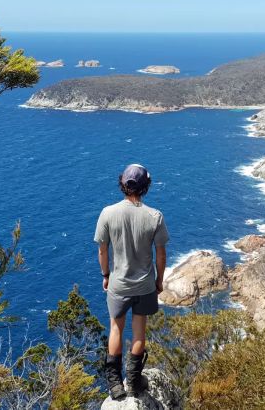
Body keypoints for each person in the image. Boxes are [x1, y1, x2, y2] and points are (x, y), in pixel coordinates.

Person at [94, 163, 169, 400]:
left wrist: (106, 275)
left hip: (119, 284)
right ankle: (135, 382)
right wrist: (159, 281)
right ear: (146, 186)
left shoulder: (108, 213)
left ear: (122, 184)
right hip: (145, 284)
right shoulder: (154, 216)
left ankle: (115, 385)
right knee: (139, 332)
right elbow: (161, 254)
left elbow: (102, 251)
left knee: (116, 328)